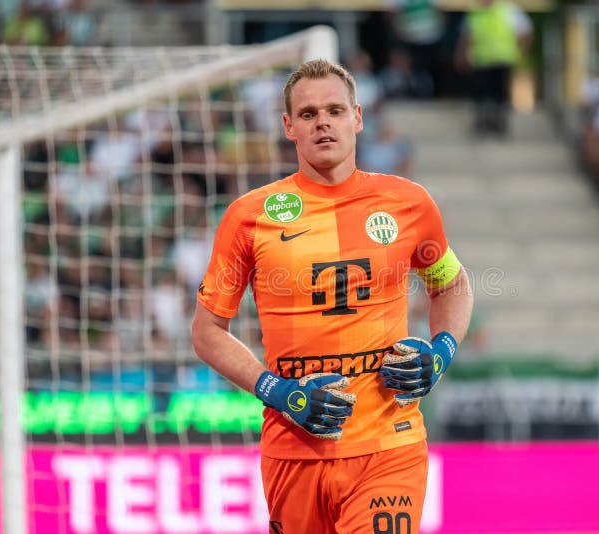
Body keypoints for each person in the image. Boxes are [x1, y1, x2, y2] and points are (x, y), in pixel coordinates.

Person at [191, 59, 473, 534]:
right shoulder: (249, 217)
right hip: (293, 450)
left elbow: (452, 283)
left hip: (389, 444)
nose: (323, 121)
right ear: (289, 127)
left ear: (358, 118)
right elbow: (206, 332)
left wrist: (441, 351)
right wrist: (277, 391)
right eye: (308, 114)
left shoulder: (408, 203)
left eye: (335, 110)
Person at [456, 0, 531, 136]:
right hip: (481, 59)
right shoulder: (475, 12)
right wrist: (462, 55)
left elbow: (524, 33)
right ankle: (482, 122)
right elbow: (467, 36)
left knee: (499, 93)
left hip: (502, 59)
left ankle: (498, 122)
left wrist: (521, 54)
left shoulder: (508, 9)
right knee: (480, 92)